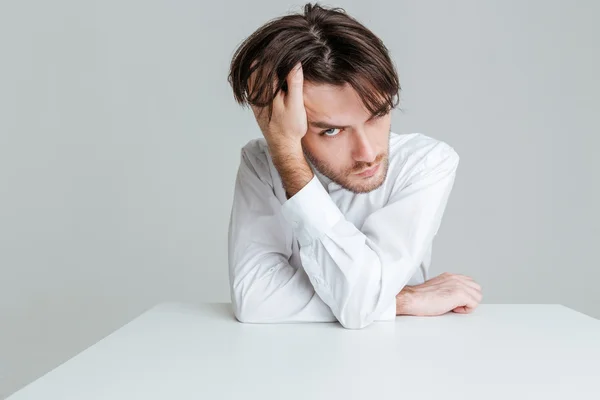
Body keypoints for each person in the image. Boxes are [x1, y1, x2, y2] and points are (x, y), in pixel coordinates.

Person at [226, 2, 482, 329]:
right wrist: (404, 299)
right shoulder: (264, 164)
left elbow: (361, 304)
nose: (367, 152)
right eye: (332, 130)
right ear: (284, 121)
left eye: (377, 115)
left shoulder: (426, 163)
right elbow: (255, 300)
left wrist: (371, 300)